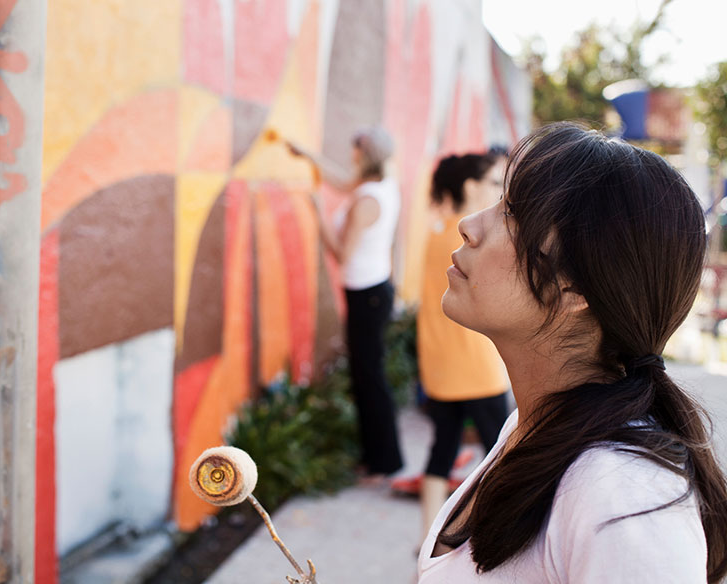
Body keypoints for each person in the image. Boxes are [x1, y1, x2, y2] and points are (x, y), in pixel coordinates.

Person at [418, 122, 727, 582]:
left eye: (514, 213)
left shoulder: (624, 496)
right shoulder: (532, 425)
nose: (470, 225)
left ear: (577, 287)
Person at [391, 153, 511, 540]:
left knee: (441, 452)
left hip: (441, 367)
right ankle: (496, 539)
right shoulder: (470, 241)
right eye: (493, 182)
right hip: (477, 367)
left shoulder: (434, 232)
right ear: (471, 187)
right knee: (503, 458)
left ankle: (430, 541)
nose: (499, 190)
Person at [288, 127, 404, 479]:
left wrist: (316, 211)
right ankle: (380, 459)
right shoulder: (378, 186)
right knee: (367, 376)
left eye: (354, 152)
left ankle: (382, 463)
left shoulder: (367, 202)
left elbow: (341, 253)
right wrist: (306, 153)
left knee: (369, 378)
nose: (350, 157)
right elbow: (340, 180)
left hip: (367, 296)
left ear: (362, 156)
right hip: (371, 292)